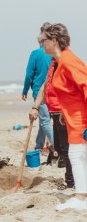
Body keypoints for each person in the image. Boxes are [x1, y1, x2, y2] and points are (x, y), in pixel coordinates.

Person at [30, 23, 87, 210]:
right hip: (71, 117)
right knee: (78, 156)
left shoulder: (69, 61)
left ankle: (80, 198)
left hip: (81, 119)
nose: (41, 43)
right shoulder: (59, 62)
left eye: (44, 40)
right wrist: (64, 111)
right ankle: (81, 195)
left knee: (76, 155)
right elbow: (71, 91)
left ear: (54, 40)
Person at [22, 31, 54, 153]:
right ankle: (38, 145)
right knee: (44, 119)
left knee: (45, 120)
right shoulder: (53, 54)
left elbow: (29, 75)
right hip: (54, 92)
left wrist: (25, 90)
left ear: (40, 41)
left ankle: (57, 146)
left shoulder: (35, 53)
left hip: (40, 92)